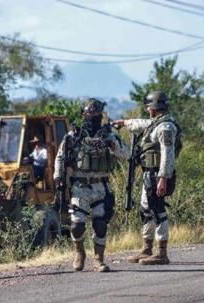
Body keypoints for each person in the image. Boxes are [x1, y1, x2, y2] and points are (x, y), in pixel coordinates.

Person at [54, 98, 129, 272]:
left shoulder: (109, 135)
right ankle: (79, 253)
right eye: (90, 114)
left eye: (97, 114)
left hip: (101, 187)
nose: (93, 117)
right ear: (83, 114)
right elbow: (60, 156)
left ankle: (98, 259)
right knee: (77, 225)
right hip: (79, 186)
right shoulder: (74, 136)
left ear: (101, 115)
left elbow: (127, 154)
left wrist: (114, 146)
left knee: (100, 225)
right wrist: (58, 177)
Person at [113, 90, 181, 265]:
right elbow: (143, 123)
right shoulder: (157, 123)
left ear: (153, 108)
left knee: (158, 210)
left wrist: (163, 178)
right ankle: (146, 248)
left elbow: (168, 154)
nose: (147, 110)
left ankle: (162, 253)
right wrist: (124, 123)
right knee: (146, 209)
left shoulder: (166, 128)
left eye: (148, 107)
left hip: (158, 174)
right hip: (149, 173)